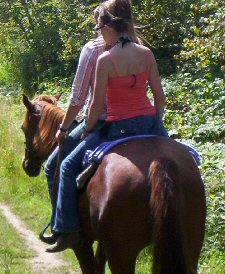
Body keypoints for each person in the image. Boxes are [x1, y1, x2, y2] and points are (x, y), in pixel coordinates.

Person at [47, 0, 168, 253]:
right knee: (188, 159)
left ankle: (66, 227)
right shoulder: (146, 52)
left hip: (116, 127)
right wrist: (156, 125)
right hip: (149, 124)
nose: (98, 33)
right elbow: (160, 98)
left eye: (98, 27)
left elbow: (94, 105)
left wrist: (89, 129)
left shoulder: (104, 58)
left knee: (67, 166)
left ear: (106, 26)